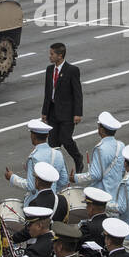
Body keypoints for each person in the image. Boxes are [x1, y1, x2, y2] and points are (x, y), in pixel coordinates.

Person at [41, 42, 83, 171]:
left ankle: (78, 158)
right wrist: (44, 112)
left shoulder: (72, 70)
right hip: (52, 111)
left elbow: (77, 93)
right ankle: (56, 168)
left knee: (65, 139)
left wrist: (78, 113)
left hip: (67, 113)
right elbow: (47, 92)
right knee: (53, 143)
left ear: (60, 56)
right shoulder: (49, 70)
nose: (50, 56)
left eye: (52, 54)